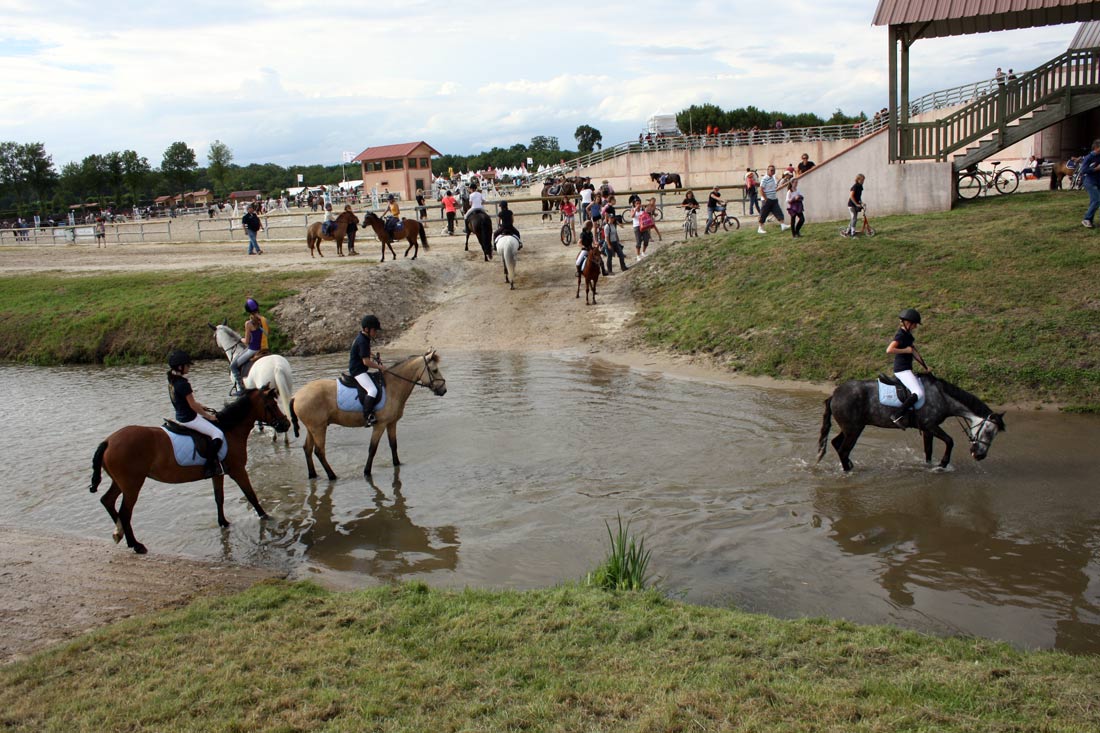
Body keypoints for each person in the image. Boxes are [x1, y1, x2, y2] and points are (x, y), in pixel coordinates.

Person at [167, 350, 224, 478]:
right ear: (180, 367)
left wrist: (201, 406)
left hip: (180, 416)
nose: (189, 368)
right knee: (218, 434)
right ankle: (210, 466)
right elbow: (192, 405)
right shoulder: (183, 384)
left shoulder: (172, 381)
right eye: (187, 365)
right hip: (189, 419)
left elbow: (185, 401)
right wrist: (209, 416)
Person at [886, 308, 927, 427]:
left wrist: (925, 367)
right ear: (908, 323)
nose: (916, 327)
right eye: (915, 324)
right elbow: (889, 350)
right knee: (918, 392)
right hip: (902, 370)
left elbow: (914, 352)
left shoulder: (907, 335)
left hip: (907, 369)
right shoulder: (900, 335)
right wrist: (906, 350)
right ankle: (897, 415)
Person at [349, 314, 386, 426]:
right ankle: (368, 416)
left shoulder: (363, 337)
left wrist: (373, 355)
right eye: (374, 330)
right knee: (372, 390)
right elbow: (366, 362)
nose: (375, 333)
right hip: (358, 371)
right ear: (367, 329)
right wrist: (380, 367)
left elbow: (364, 352)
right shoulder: (363, 341)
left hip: (360, 369)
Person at [230, 300, 265, 393]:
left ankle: (241, 389)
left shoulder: (248, 324)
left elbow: (247, 341)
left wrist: (240, 339)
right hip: (263, 348)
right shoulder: (263, 320)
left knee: (233, 366)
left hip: (253, 350)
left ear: (248, 311)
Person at [756, 165, 789, 234]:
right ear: (767, 170)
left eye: (773, 170)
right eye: (771, 170)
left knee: (778, 212)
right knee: (763, 214)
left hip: (774, 199)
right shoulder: (765, 179)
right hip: (767, 200)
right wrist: (765, 199)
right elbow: (761, 189)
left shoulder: (773, 178)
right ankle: (760, 228)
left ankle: (783, 225)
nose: (772, 171)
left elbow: (774, 187)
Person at [602, 196, 629, 274]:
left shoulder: (613, 224)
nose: (612, 219)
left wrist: (617, 240)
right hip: (609, 242)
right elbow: (606, 237)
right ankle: (610, 271)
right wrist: (609, 244)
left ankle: (623, 267)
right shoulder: (607, 226)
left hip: (614, 241)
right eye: (611, 218)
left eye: (612, 218)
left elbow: (615, 233)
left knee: (620, 254)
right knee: (610, 257)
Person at [1080, 140, 1100, 228]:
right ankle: (1086, 219)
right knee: (1097, 200)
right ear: (1096, 148)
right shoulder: (1089, 157)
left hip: (1098, 181)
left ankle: (1089, 221)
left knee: (1094, 201)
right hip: (1090, 181)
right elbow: (1083, 170)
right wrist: (1095, 169)